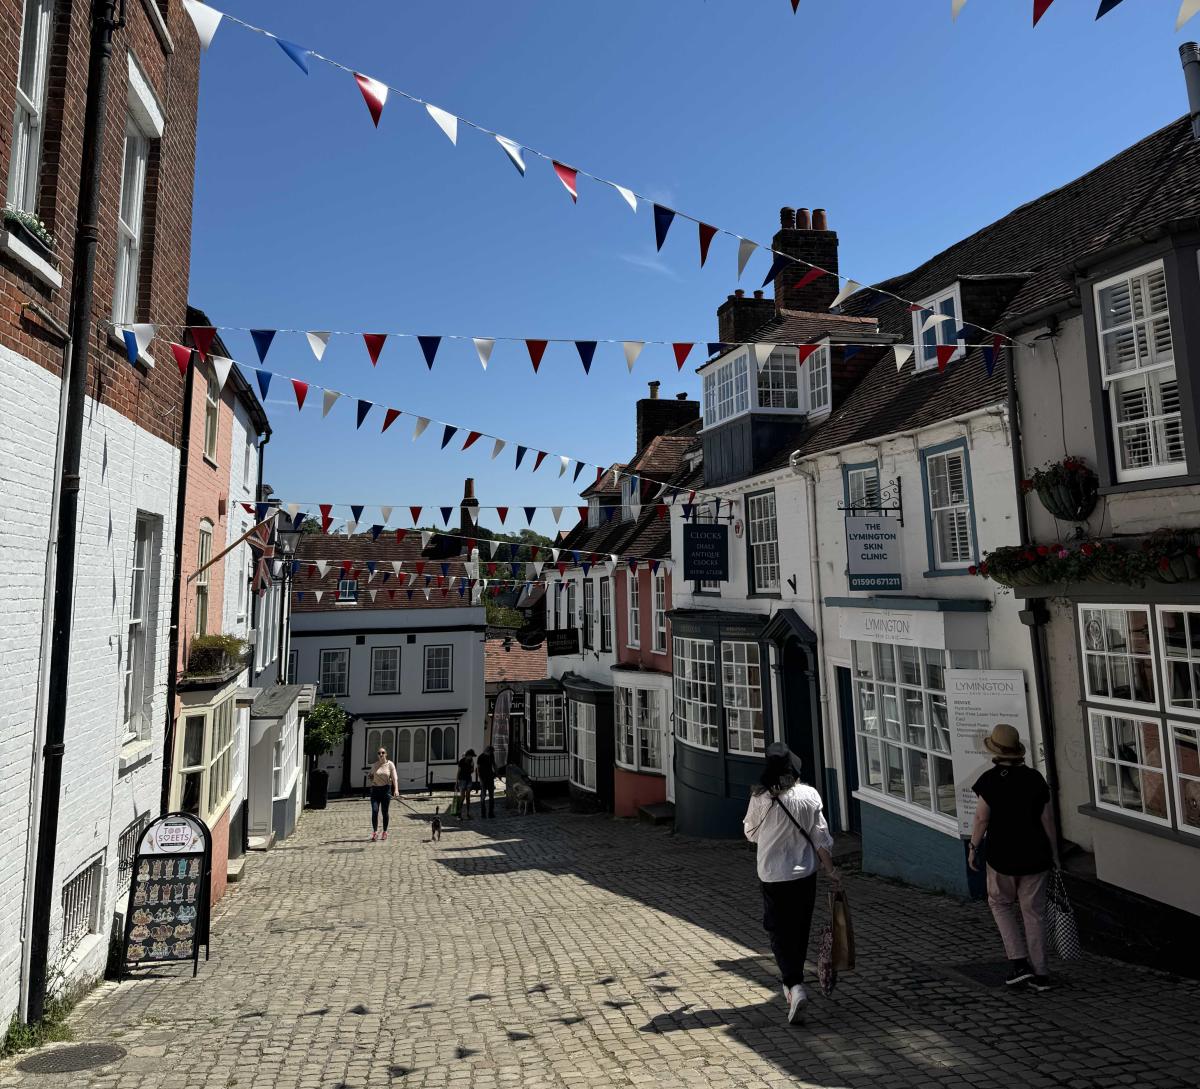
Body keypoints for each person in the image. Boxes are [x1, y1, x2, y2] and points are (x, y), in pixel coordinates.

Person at [743, 742, 840, 1025]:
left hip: (773, 875)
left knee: (777, 931)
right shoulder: (809, 795)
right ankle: (794, 985)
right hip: (804, 875)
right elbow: (821, 837)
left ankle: (793, 986)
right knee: (799, 929)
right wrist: (831, 871)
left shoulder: (760, 798)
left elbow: (750, 833)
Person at [969, 722, 1060, 992]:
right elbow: (1047, 820)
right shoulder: (1035, 779)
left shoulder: (989, 780)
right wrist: (1054, 853)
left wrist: (973, 848)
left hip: (1002, 856)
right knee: (1034, 913)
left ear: (994, 751)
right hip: (1036, 856)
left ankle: (1019, 963)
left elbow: (981, 819)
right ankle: (1041, 973)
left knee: (1000, 904)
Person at [367, 747, 399, 841]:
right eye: (379, 753)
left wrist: (396, 790)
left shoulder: (390, 764)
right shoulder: (374, 765)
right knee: (375, 810)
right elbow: (371, 777)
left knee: (385, 812)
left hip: (385, 790)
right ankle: (375, 832)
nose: (381, 754)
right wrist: (371, 777)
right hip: (375, 791)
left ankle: (384, 832)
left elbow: (394, 778)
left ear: (386, 754)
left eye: (383, 753)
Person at [476, 745, 498, 819]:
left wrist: (497, 773)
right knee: (483, 796)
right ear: (487, 751)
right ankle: (483, 814)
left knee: (491, 797)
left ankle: (491, 813)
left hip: (490, 778)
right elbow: (478, 770)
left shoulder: (491, 755)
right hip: (483, 778)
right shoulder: (480, 757)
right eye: (490, 752)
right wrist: (481, 780)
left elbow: (494, 764)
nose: (491, 753)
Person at [455, 749, 476, 820]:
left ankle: (468, 813)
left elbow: (472, 771)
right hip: (462, 780)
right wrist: (456, 782)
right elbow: (458, 771)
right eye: (471, 756)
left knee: (468, 797)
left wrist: (472, 767)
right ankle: (459, 814)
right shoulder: (461, 761)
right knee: (462, 797)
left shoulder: (471, 761)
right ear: (468, 755)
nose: (472, 757)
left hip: (468, 779)